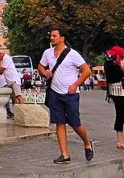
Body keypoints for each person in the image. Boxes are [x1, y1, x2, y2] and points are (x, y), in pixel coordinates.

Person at [38, 28, 94, 164]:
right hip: (55, 93)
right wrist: (44, 72)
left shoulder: (73, 54)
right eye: (51, 35)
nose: (51, 38)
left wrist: (76, 85)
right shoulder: (48, 53)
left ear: (62, 38)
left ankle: (87, 142)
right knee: (60, 123)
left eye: (54, 36)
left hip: (70, 94)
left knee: (75, 123)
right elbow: (40, 66)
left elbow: (87, 71)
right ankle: (64, 154)